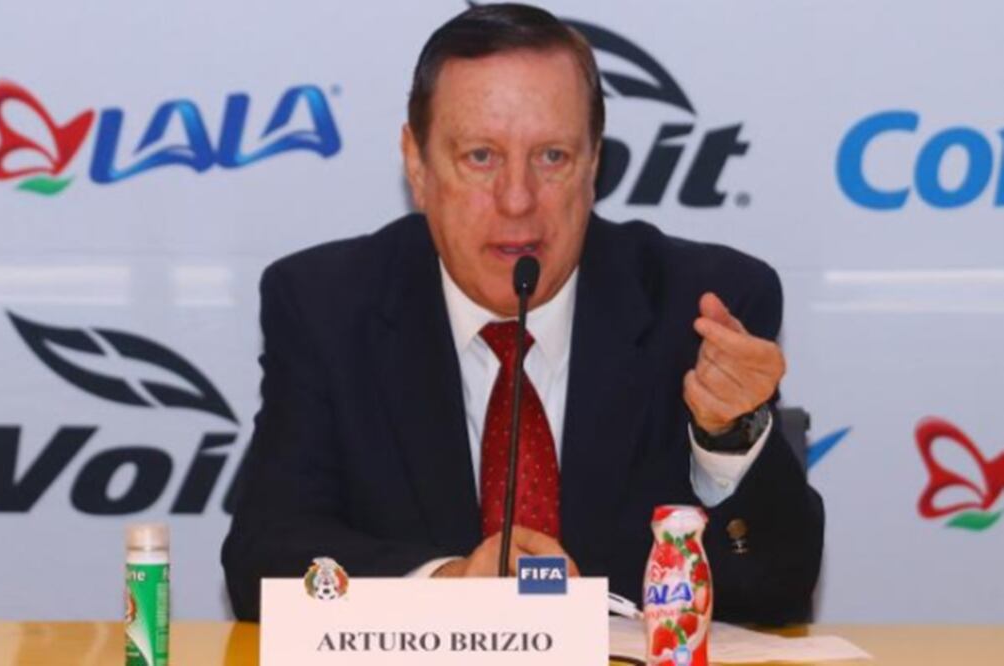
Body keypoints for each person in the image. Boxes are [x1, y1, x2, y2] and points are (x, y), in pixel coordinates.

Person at [222, 3, 823, 624]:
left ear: (593, 165)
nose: (517, 200)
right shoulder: (327, 307)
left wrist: (730, 439)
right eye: (481, 156)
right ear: (417, 164)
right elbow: (264, 565)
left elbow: (776, 587)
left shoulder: (703, 308)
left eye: (553, 157)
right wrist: (445, 585)